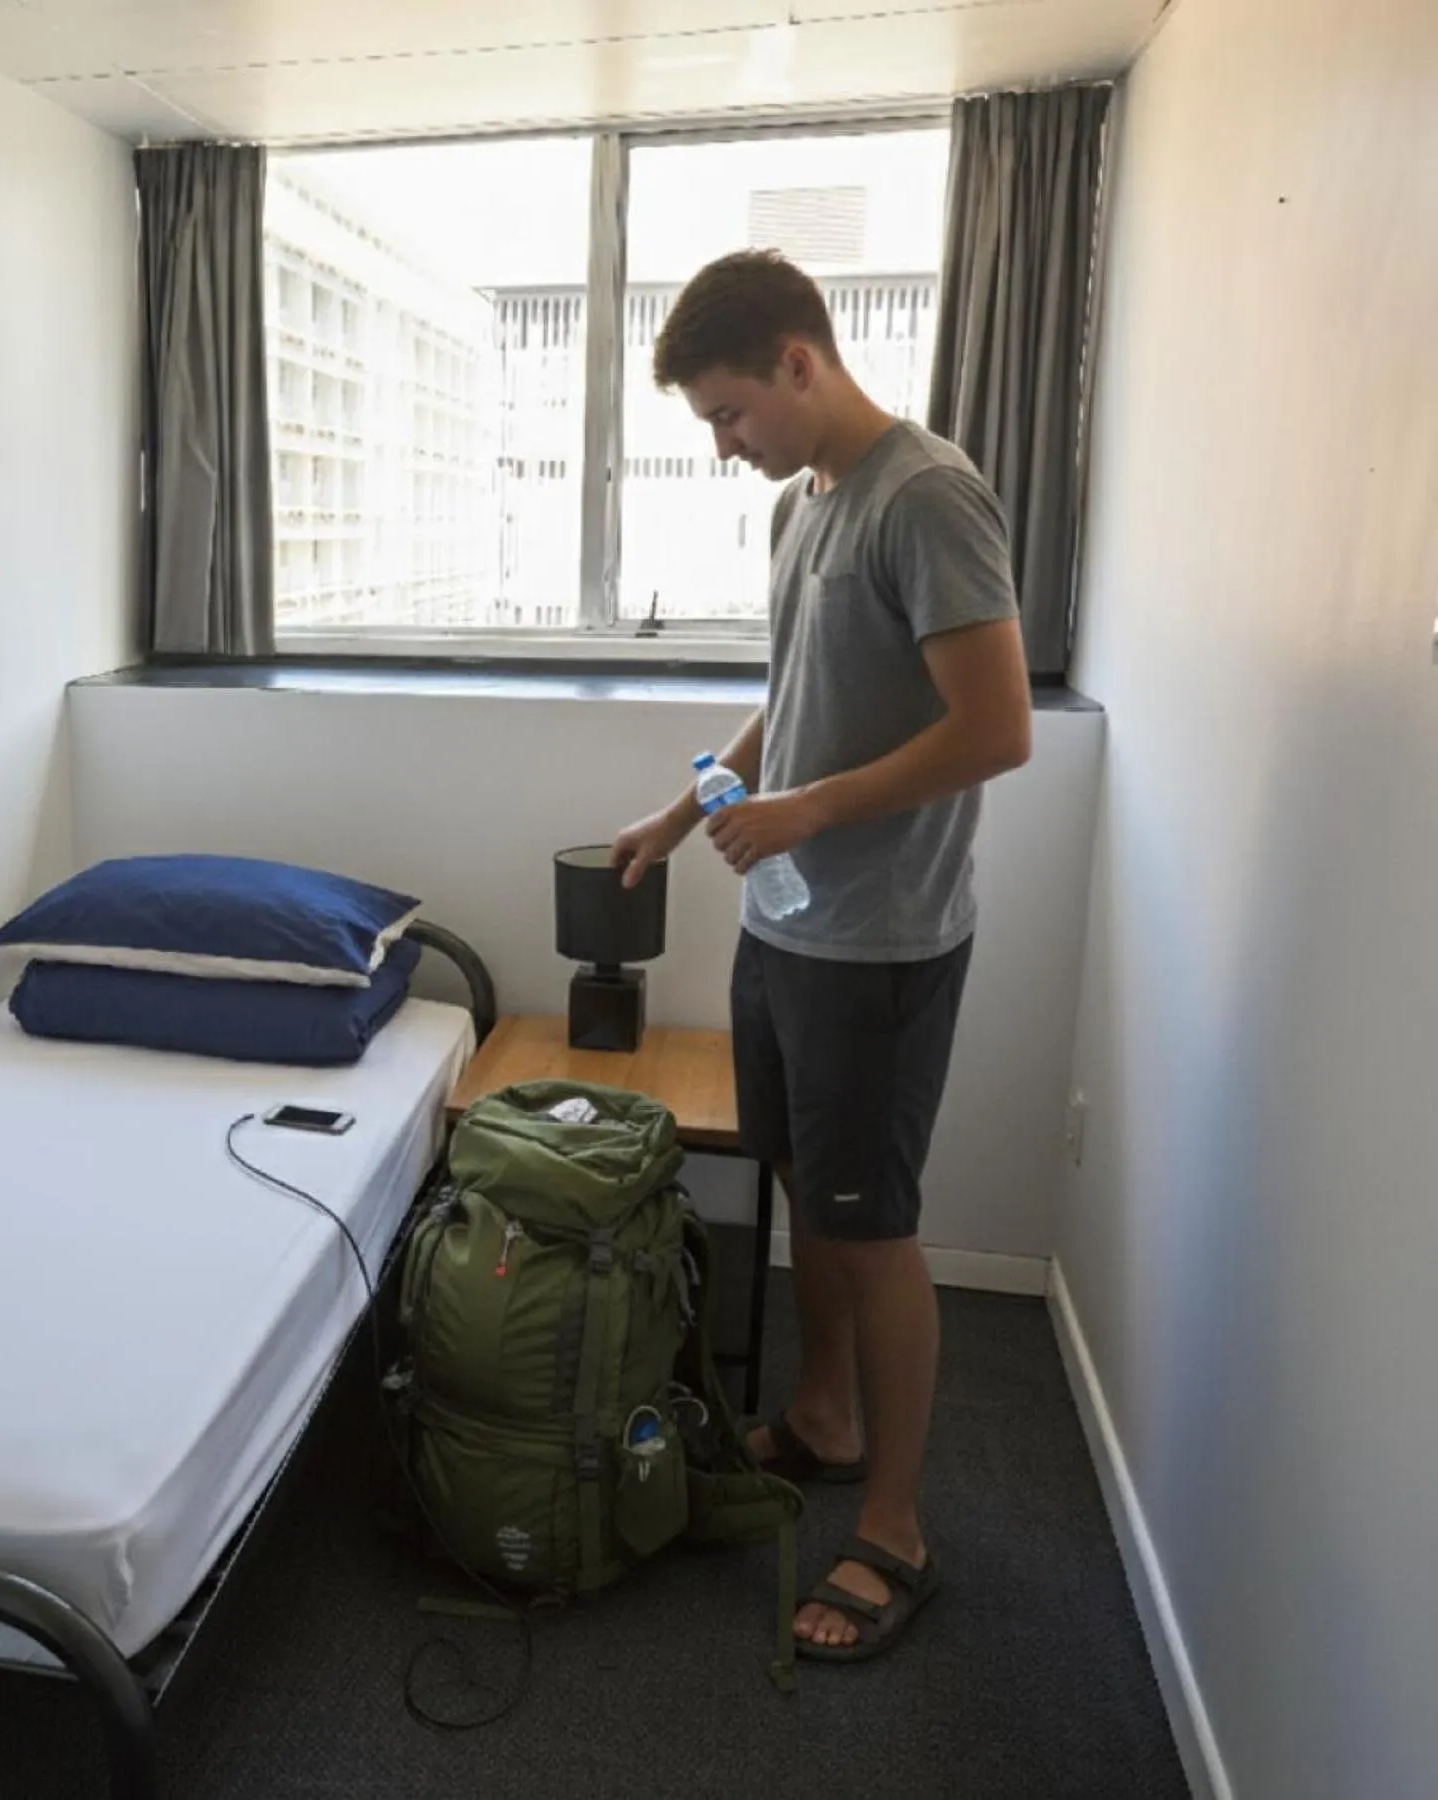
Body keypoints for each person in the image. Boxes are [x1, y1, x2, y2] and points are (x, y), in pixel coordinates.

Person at [610, 249, 1031, 1663]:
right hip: (782, 923)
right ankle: (828, 1416)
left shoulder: (927, 497)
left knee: (874, 1223)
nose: (726, 451)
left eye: (731, 417)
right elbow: (795, 703)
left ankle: (894, 1528)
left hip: (880, 942)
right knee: (803, 1183)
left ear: (800, 362)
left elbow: (997, 731)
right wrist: (685, 813)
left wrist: (806, 811)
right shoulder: (808, 504)